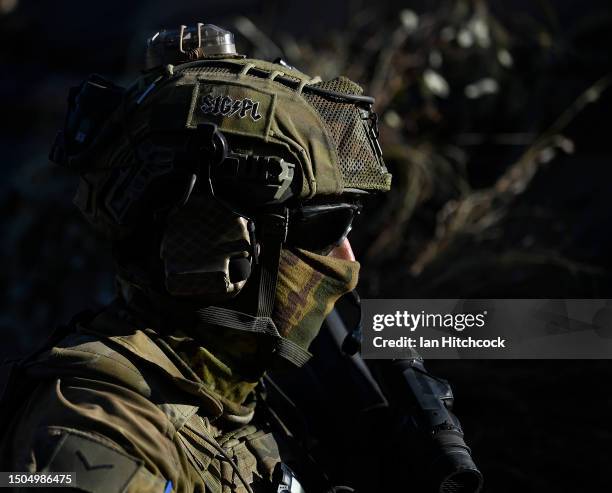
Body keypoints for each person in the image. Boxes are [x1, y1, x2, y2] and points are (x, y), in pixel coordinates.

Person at [0, 24, 391, 492]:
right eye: (325, 230)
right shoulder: (98, 425)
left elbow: (489, 328)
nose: (346, 260)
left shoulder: (228, 387)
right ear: (216, 238)